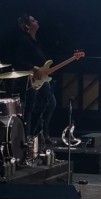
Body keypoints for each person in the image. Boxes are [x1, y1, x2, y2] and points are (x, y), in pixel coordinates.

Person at [16, 13, 56, 144]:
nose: (37, 21)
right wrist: (34, 68)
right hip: (31, 79)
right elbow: (18, 61)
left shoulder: (36, 41)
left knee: (50, 103)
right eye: (33, 20)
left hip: (42, 79)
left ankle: (42, 132)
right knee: (30, 108)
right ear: (27, 25)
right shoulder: (24, 41)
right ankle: (26, 138)